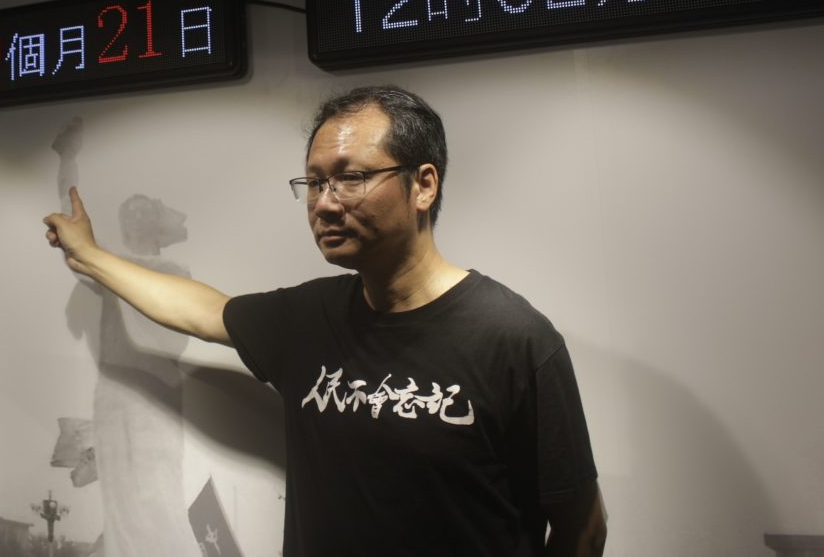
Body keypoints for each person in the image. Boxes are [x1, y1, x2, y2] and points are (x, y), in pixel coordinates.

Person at [44, 85, 607, 556]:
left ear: (424, 184)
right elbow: (200, 308)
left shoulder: (514, 338)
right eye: (314, 183)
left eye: (351, 178)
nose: (325, 203)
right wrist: (90, 255)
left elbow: (582, 527)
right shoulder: (307, 318)